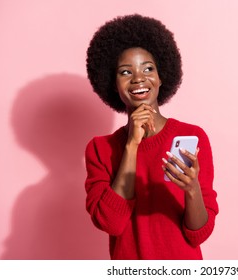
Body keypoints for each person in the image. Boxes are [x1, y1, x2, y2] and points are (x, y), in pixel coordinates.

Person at [85, 14, 219, 260]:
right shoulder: (99, 149)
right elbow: (111, 224)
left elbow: (198, 234)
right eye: (126, 72)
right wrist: (132, 145)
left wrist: (192, 189)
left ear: (161, 77)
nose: (138, 78)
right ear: (114, 84)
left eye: (148, 68)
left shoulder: (192, 136)